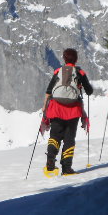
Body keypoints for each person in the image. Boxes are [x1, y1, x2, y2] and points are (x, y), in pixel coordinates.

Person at [43, 48, 94, 176]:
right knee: (69, 139)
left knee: (55, 135)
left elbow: (49, 91)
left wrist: (45, 107)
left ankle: (50, 160)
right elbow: (89, 91)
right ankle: (66, 168)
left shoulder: (58, 71)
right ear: (76, 59)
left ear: (64, 59)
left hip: (56, 107)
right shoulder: (79, 72)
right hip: (73, 109)